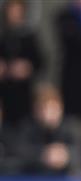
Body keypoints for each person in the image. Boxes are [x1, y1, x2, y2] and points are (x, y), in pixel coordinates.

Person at [0, 0, 43, 128]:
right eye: (11, 10)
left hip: (24, 93)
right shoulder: (2, 35)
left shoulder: (29, 36)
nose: (14, 14)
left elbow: (40, 62)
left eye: (17, 11)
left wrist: (27, 68)